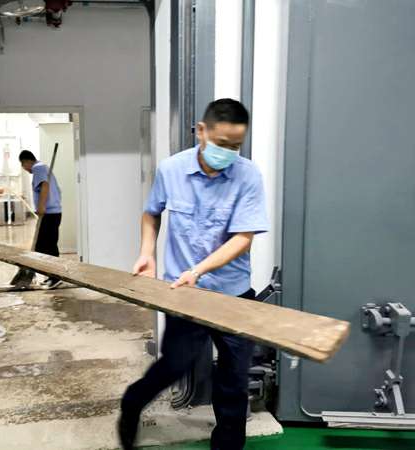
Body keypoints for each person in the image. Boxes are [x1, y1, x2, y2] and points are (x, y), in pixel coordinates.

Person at [118, 99, 269, 450]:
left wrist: (198, 270)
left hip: (233, 294)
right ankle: (133, 401)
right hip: (183, 294)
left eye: (236, 145)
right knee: (175, 364)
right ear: (201, 131)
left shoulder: (248, 175)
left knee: (234, 382)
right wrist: (146, 253)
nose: (228, 152)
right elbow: (151, 213)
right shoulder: (171, 170)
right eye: (221, 143)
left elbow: (243, 238)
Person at [19, 150, 63, 289]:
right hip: (53, 212)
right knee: (45, 245)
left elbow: (45, 186)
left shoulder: (38, 168)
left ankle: (55, 277)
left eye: (23, 165)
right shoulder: (43, 167)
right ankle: (51, 275)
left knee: (46, 246)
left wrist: (41, 206)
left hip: (49, 213)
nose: (24, 169)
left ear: (26, 161)